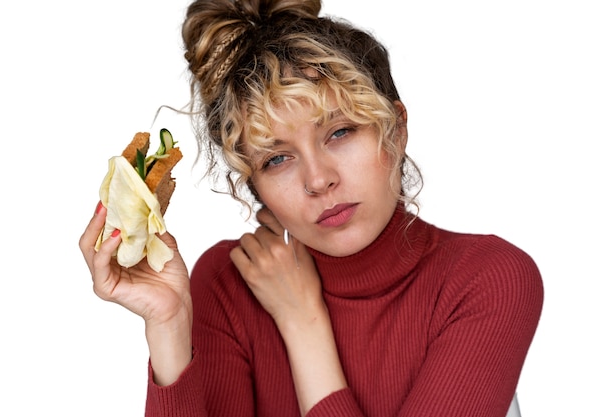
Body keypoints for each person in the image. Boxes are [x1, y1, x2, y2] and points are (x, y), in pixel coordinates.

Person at [79, 0, 544, 416]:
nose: (319, 179)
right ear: (253, 182)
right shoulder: (227, 283)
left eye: (340, 132)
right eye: (277, 159)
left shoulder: (488, 279)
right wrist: (169, 326)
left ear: (396, 130)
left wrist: (303, 323)